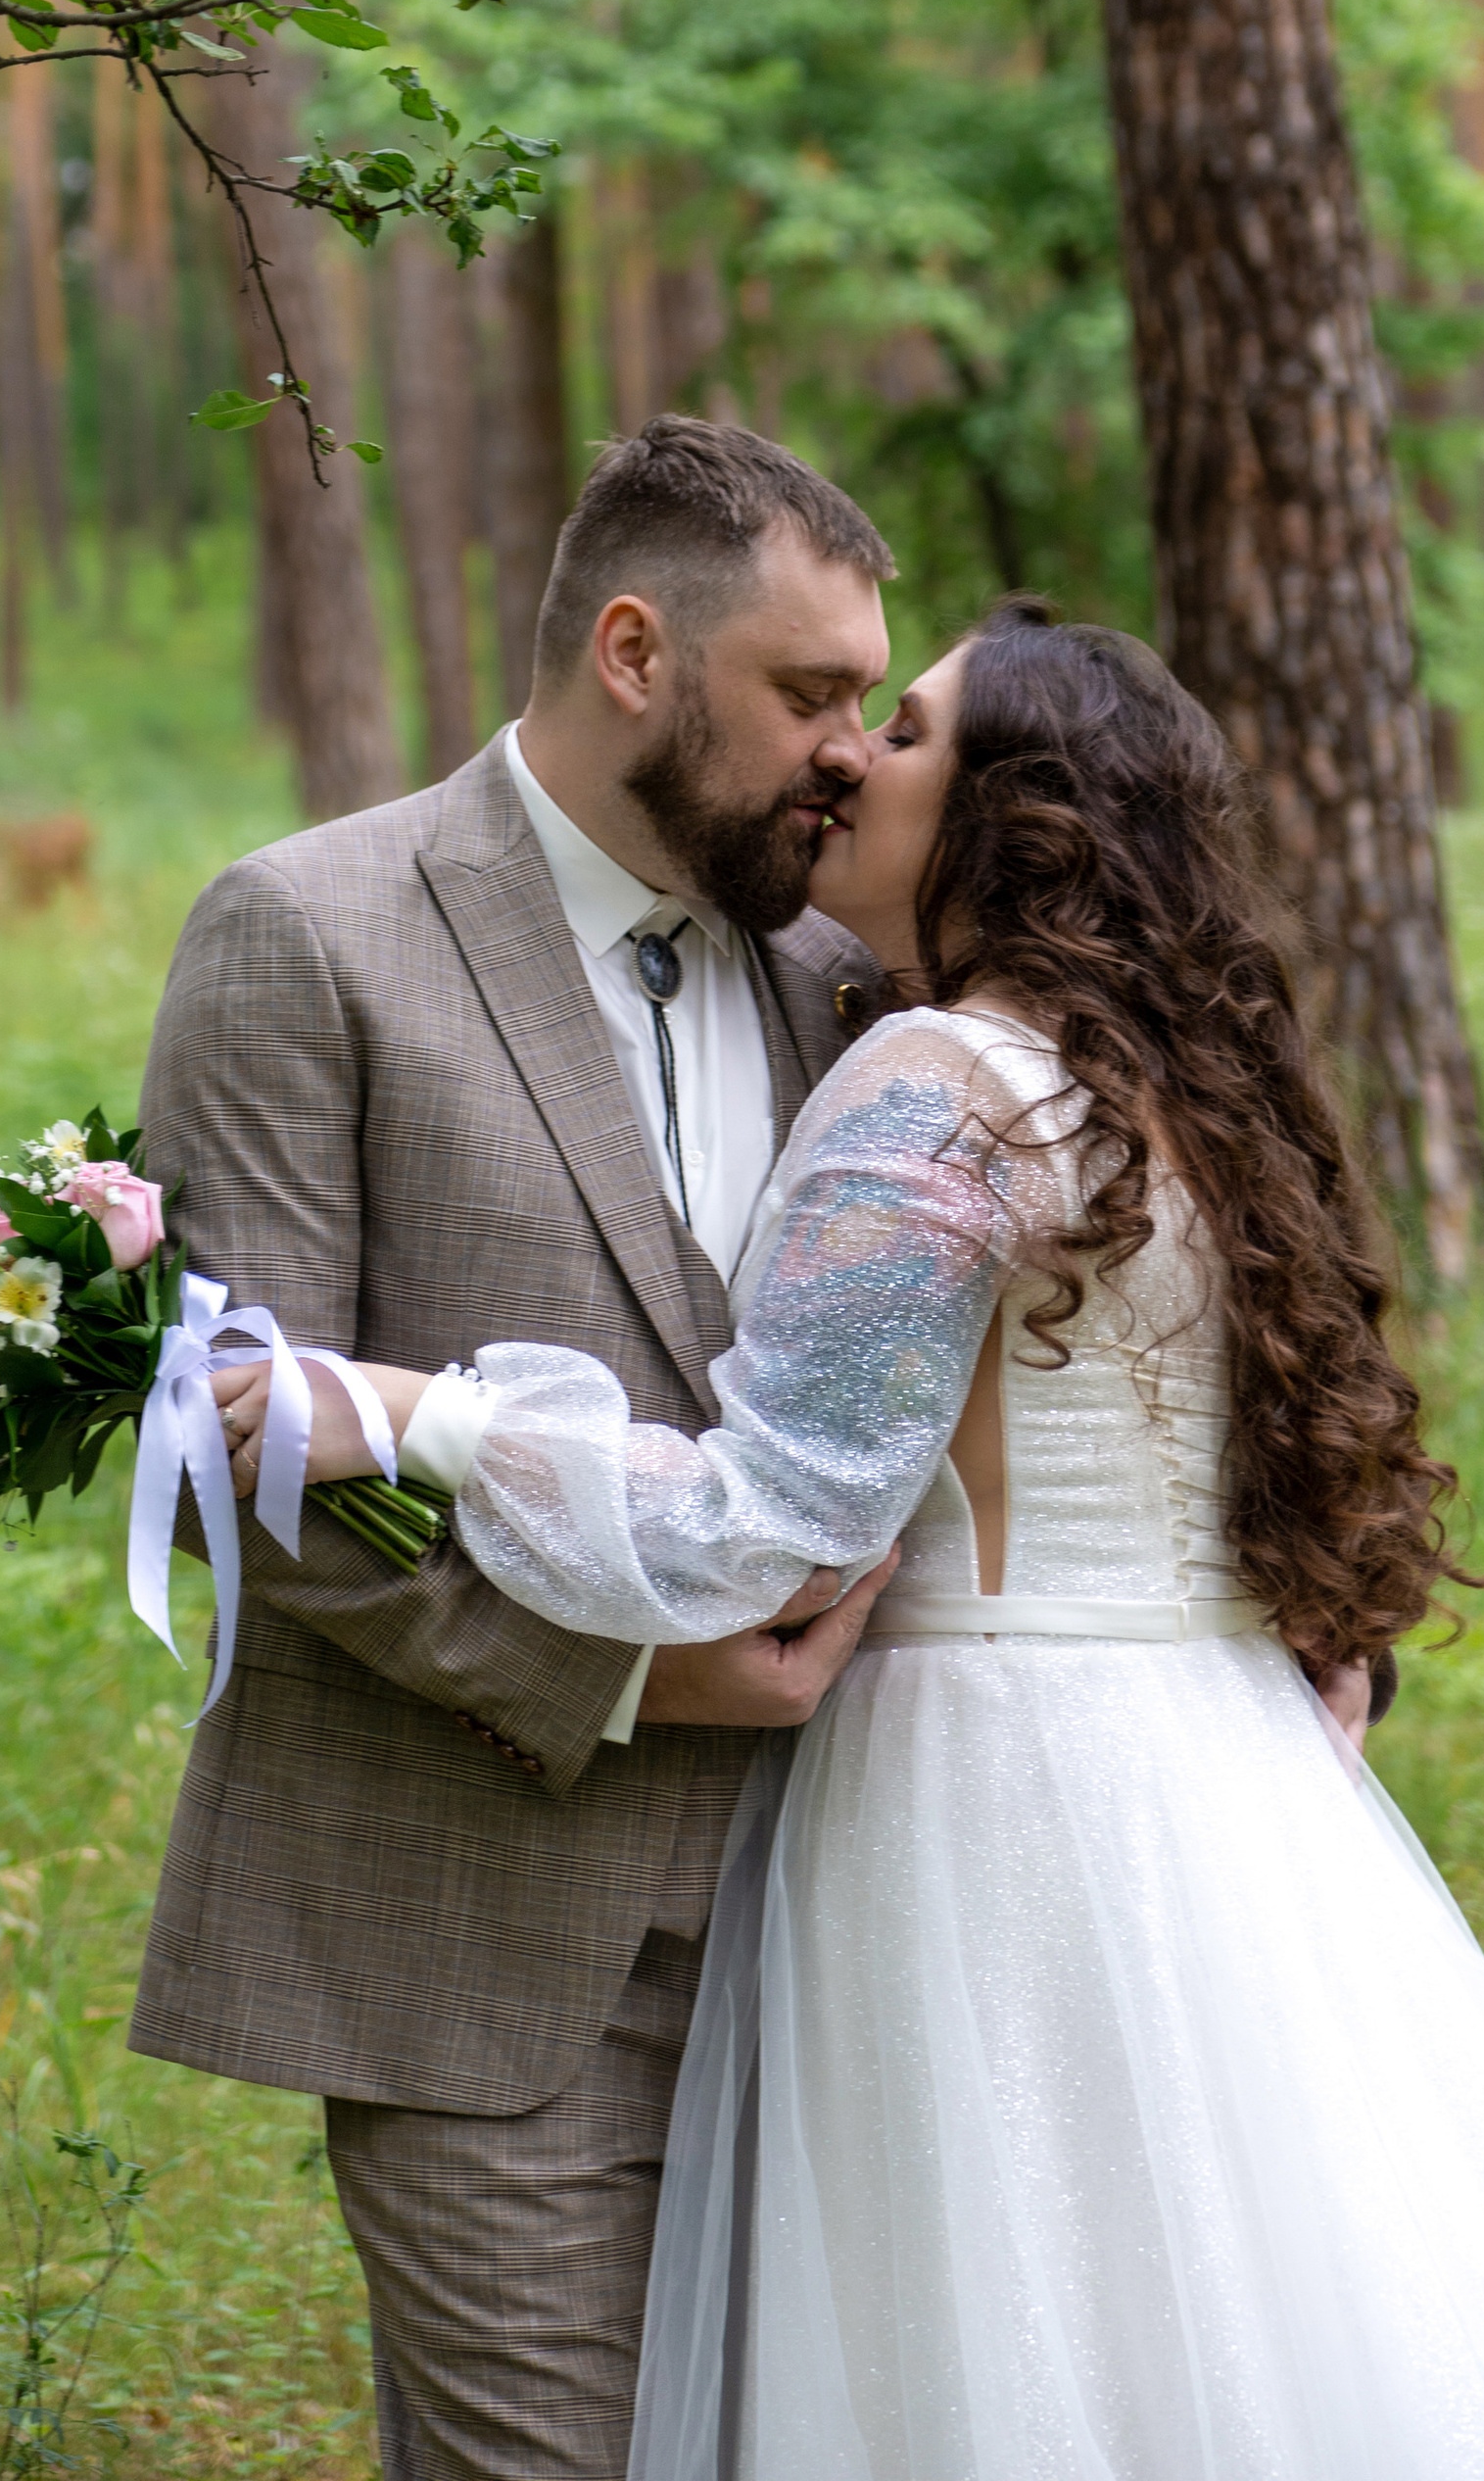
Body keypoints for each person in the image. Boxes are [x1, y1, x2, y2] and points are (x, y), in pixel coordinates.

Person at [233, 604, 1484, 2481]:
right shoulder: (1189, 1094)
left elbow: (770, 1523)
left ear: (1014, 820)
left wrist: (424, 1417)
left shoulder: (938, 1085)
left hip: (986, 1807)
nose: (848, 757)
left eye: (906, 731)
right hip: (1225, 1792)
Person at [127, 417, 910, 2481]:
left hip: (834, 1937)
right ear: (636, 653)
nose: (849, 753)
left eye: (866, 701)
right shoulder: (309, 933)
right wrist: (627, 1678)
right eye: (809, 693)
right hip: (472, 1930)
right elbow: (240, 1459)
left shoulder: (850, 971)